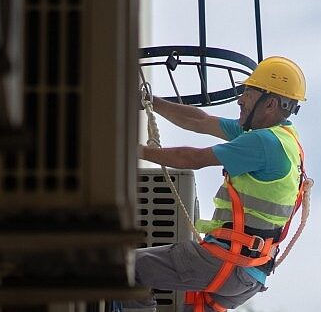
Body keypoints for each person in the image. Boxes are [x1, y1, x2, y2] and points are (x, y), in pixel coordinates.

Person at [125, 56, 307, 312]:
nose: (240, 100)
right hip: (251, 273)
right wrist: (150, 102)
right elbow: (200, 121)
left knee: (130, 269)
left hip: (228, 261)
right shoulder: (284, 141)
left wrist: (134, 151)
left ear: (271, 104)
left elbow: (193, 158)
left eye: (248, 93)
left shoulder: (263, 143)